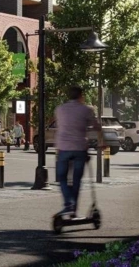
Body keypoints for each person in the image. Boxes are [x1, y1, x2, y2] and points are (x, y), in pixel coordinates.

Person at [55, 86, 100, 219]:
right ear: (81, 96)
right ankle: (73, 209)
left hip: (63, 147)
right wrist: (102, 142)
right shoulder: (86, 110)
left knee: (62, 177)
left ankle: (69, 204)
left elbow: (61, 126)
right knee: (76, 180)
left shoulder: (60, 109)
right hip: (80, 148)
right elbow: (97, 126)